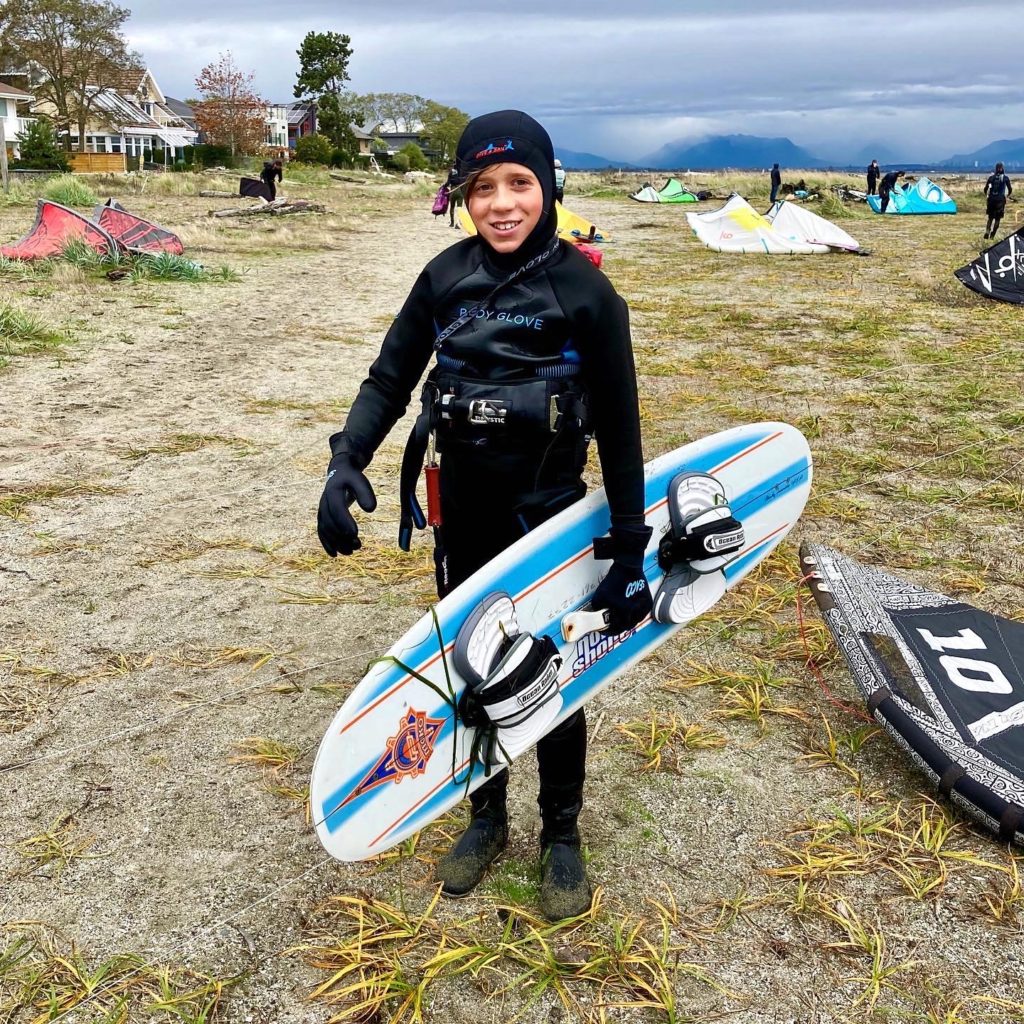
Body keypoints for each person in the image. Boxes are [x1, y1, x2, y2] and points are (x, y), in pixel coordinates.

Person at [316, 110, 653, 921]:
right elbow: (389, 378)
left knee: (557, 676)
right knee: (473, 667)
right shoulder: (444, 278)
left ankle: (561, 833)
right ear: (459, 195)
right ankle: (486, 814)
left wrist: (629, 545)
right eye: (482, 188)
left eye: (519, 184)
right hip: (463, 513)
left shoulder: (586, 291)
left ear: (548, 187)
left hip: (552, 520)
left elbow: (621, 423)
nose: (501, 204)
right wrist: (346, 459)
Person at [984, 161, 1013, 239]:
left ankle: (987, 231)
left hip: (991, 200)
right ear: (1002, 168)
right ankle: (992, 235)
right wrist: (1007, 195)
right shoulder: (1006, 178)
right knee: (997, 219)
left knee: (990, 218)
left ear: (996, 169)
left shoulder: (991, 178)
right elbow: (1010, 189)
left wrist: (987, 195)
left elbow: (985, 189)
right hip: (1000, 200)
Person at [445, 162, 465, 228]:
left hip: (453, 191)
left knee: (452, 207)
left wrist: (444, 187)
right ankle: (458, 224)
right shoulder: (462, 172)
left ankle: (452, 223)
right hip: (460, 191)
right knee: (459, 208)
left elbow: (448, 183)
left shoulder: (451, 172)